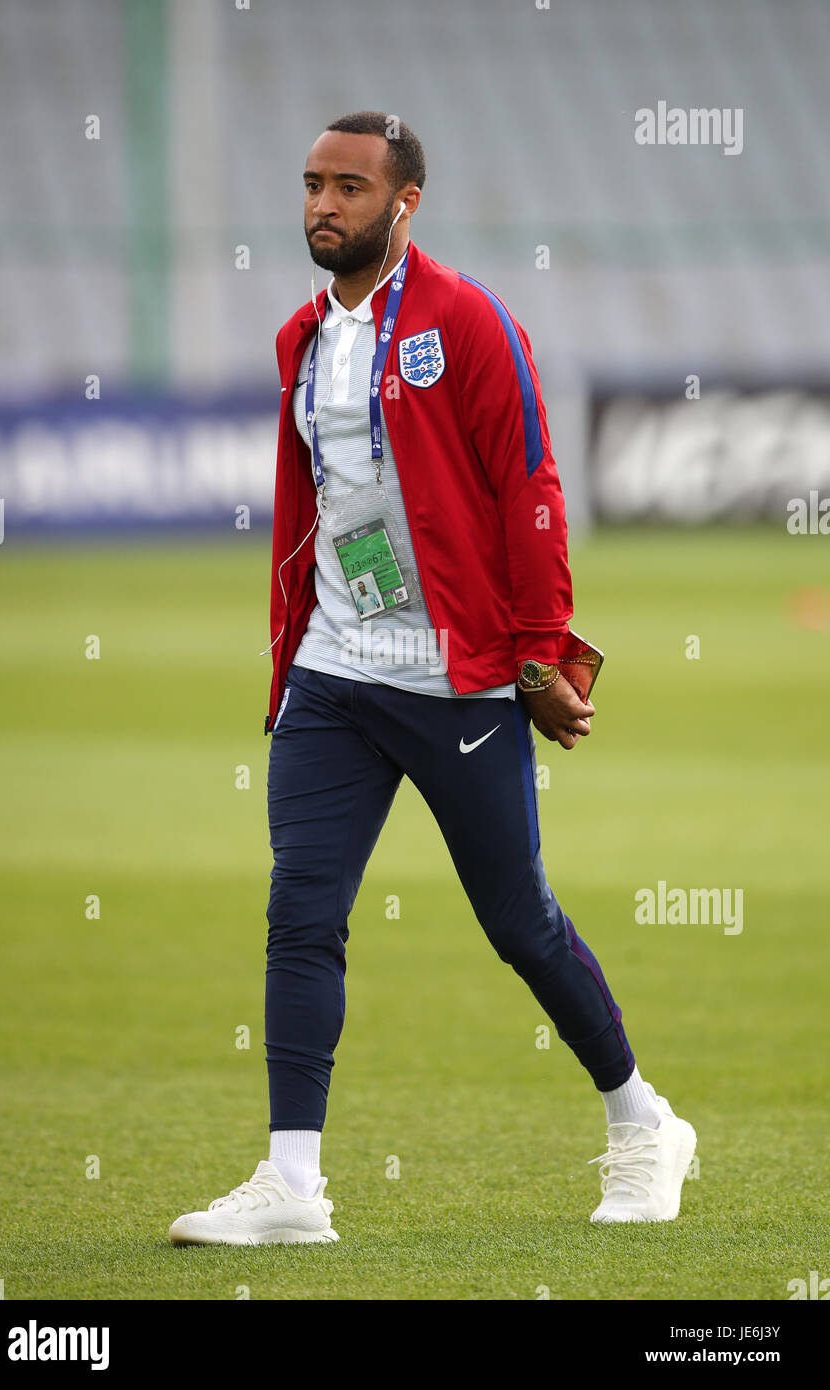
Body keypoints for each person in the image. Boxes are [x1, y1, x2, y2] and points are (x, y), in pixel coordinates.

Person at [169, 112, 696, 1248]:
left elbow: (528, 486)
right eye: (311, 184)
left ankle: (642, 1121)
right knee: (299, 914)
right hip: (331, 672)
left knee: (518, 922)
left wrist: (540, 649)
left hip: (451, 682)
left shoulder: (465, 322)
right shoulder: (298, 341)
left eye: (348, 187)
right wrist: (291, 640)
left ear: (404, 202)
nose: (322, 204)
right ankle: (293, 1184)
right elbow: (319, 506)